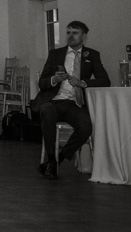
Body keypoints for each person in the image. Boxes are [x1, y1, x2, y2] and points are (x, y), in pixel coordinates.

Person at [33, 20, 111, 180]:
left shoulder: (92, 55)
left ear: (84, 36)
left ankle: (58, 160)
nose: (70, 36)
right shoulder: (56, 54)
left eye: (75, 33)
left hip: (74, 103)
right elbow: (42, 82)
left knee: (85, 126)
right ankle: (51, 159)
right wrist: (54, 79)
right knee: (47, 111)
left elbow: (105, 80)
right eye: (68, 32)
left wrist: (84, 83)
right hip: (54, 101)